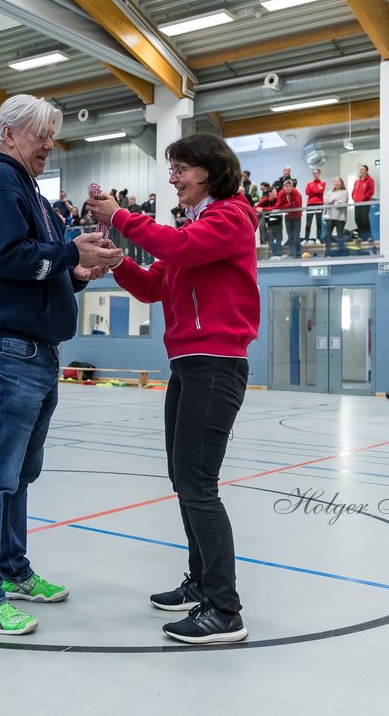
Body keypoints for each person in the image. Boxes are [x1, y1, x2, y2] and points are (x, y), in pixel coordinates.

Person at [0, 94, 122, 637]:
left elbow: (37, 263)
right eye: (41, 135)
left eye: (53, 135)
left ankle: (10, 569)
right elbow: (4, 256)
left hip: (36, 351)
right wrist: (71, 254)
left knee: (18, 475)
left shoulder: (28, 189)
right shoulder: (0, 180)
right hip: (10, 350)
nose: (50, 145)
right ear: (7, 134)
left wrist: (76, 268)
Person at [84, 132, 259, 645]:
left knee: (198, 484)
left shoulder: (229, 217)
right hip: (188, 364)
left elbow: (175, 247)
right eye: (172, 168)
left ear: (210, 171)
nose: (173, 177)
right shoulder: (198, 224)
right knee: (185, 480)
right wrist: (118, 262)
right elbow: (155, 285)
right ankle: (202, 582)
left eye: (181, 168)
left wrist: (119, 216)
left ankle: (225, 609)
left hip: (216, 364)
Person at [277, 177, 303, 257]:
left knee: (296, 235)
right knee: (290, 236)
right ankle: (293, 252)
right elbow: (279, 206)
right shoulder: (281, 193)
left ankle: (298, 253)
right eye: (286, 187)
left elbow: (297, 205)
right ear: (283, 187)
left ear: (292, 187)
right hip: (287, 217)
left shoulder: (296, 193)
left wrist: (288, 206)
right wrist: (290, 204)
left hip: (297, 216)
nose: (288, 188)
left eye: (289, 186)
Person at [322, 176, 349, 253]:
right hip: (329, 216)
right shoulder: (329, 193)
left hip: (340, 217)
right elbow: (325, 201)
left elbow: (343, 203)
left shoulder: (345, 192)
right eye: (335, 181)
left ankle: (340, 252)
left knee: (340, 235)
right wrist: (333, 200)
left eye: (338, 181)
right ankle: (328, 253)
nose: (336, 183)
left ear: (341, 183)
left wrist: (332, 202)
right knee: (328, 235)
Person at [352, 164, 375, 241]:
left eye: (362, 169)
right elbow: (354, 191)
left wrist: (363, 198)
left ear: (366, 171)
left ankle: (368, 236)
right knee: (357, 219)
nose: (361, 171)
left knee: (364, 218)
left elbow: (371, 191)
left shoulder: (370, 180)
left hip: (365, 202)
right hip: (357, 203)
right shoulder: (357, 182)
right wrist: (354, 198)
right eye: (360, 169)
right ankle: (361, 236)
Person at [304, 167, 326, 242]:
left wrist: (312, 191)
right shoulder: (309, 184)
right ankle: (306, 239)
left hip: (319, 204)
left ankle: (318, 238)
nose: (315, 174)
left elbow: (320, 191)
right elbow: (307, 192)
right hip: (310, 204)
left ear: (319, 174)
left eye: (316, 173)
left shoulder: (322, 183)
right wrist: (315, 191)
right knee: (308, 223)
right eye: (314, 173)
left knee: (318, 222)